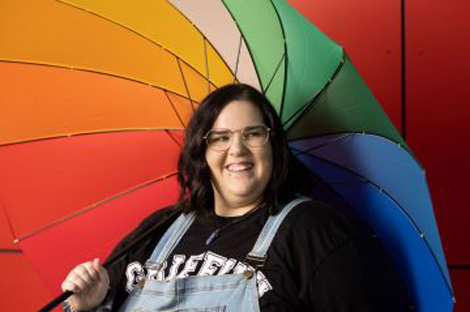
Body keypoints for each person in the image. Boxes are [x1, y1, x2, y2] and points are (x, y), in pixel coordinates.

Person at [61, 83, 413, 311]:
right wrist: (86, 305)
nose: (237, 150)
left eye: (253, 134)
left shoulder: (311, 230)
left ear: (273, 145)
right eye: (221, 137)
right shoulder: (158, 231)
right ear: (202, 150)